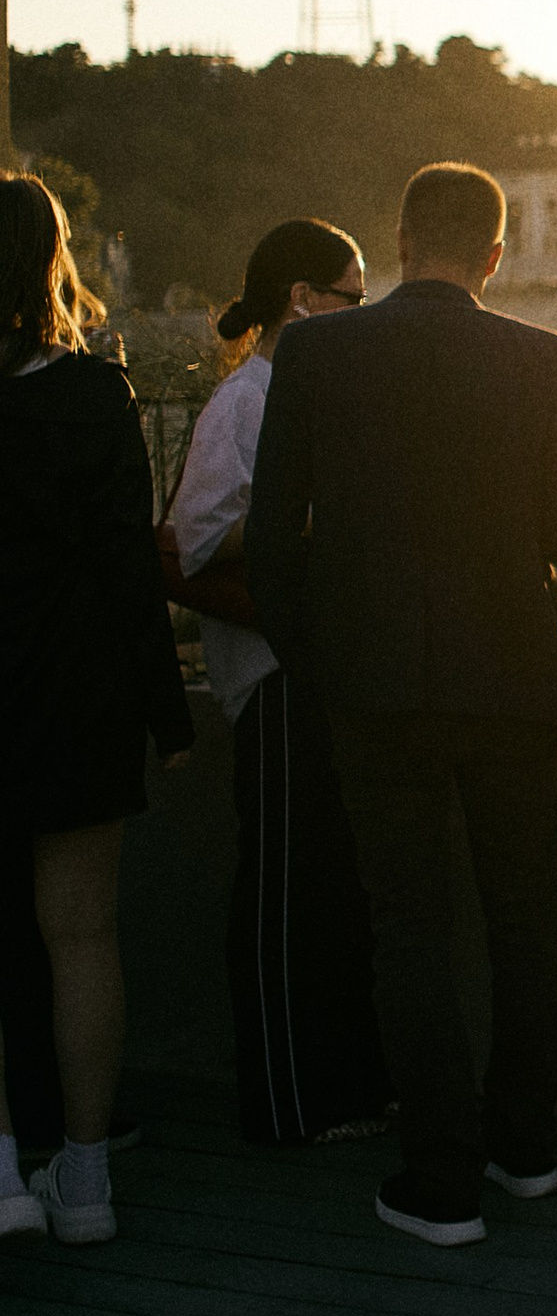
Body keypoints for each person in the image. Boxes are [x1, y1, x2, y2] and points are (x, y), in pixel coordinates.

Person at [247, 160, 557, 1247]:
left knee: (408, 930)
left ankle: (440, 1181)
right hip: (518, 682)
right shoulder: (546, 360)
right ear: (495, 256)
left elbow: (271, 539)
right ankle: (526, 1149)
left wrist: (319, 659)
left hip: (376, 686)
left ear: (400, 241)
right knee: (525, 918)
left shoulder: (317, 353)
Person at [168, 218, 389, 1147]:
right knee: (287, 893)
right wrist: (304, 526)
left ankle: (334, 1091)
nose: (362, 312)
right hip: (274, 675)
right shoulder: (245, 401)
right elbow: (192, 537)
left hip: (314, 672)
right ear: (304, 299)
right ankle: (288, 1101)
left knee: (327, 890)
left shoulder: (288, 392)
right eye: (352, 295)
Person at [0, 176, 190, 1247]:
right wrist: (170, 716)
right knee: (81, 937)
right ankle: (84, 1181)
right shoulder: (93, 395)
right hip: (76, 700)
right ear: (51, 261)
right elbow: (129, 574)